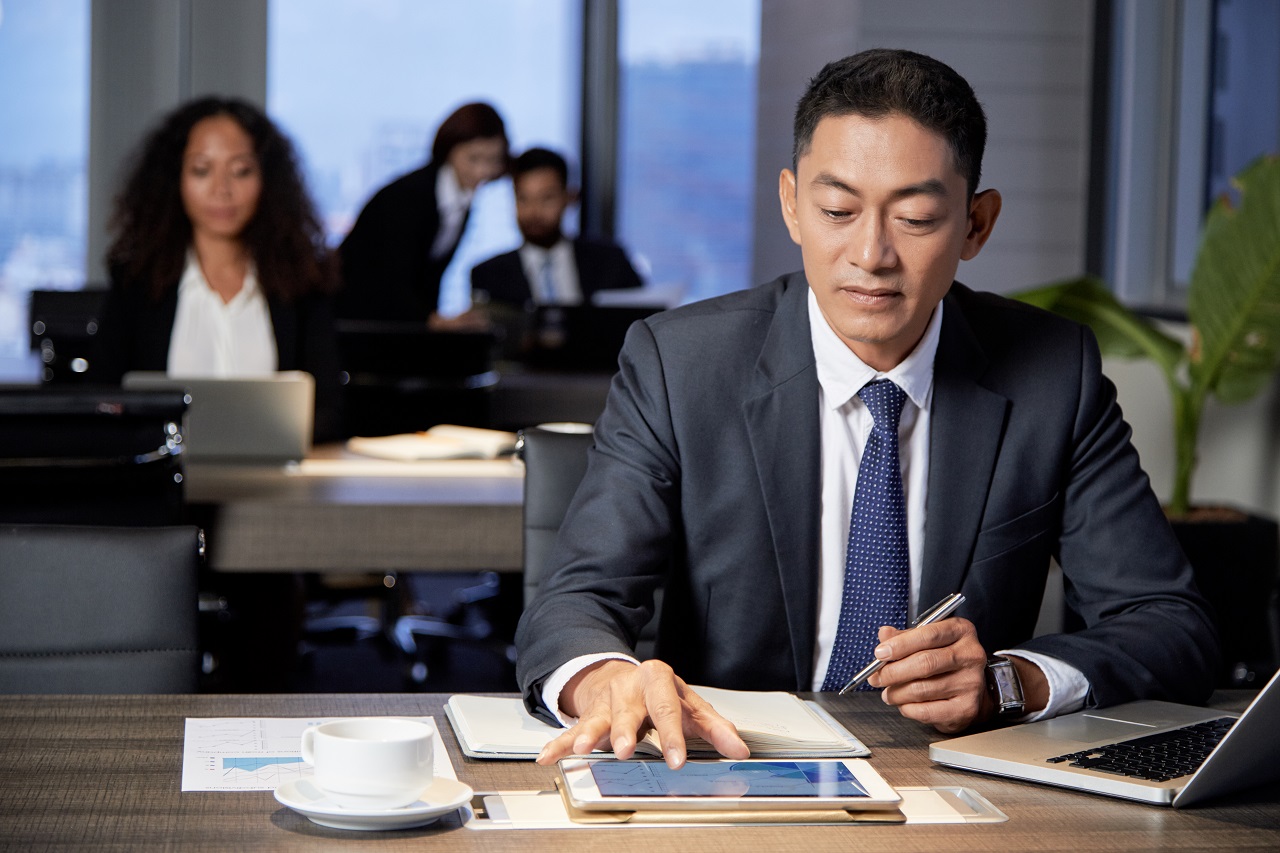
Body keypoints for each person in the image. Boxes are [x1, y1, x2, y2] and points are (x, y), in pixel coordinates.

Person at [515, 48, 1219, 770]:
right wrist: (608, 679)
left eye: (914, 217)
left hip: (954, 785)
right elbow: (573, 601)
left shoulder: (1051, 374)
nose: (871, 253)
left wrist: (1008, 681)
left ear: (976, 224)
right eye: (838, 210)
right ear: (792, 204)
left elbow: (1171, 626)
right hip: (724, 775)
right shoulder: (681, 364)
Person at [94, 95, 342, 442]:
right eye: (201, 170)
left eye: (241, 171)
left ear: (267, 180)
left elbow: (329, 410)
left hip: (273, 486)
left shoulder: (302, 283)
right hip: (166, 483)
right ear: (175, 179)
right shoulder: (137, 281)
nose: (222, 190)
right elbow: (105, 401)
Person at [336, 102, 508, 328]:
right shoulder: (408, 195)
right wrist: (435, 321)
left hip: (398, 326)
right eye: (474, 158)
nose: (482, 171)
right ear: (449, 151)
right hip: (357, 321)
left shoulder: (462, 200)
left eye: (492, 160)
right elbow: (389, 279)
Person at [471, 147, 643, 309]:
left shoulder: (610, 261)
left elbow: (640, 322)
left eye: (546, 198)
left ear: (569, 197)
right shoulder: (488, 274)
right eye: (523, 198)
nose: (534, 211)